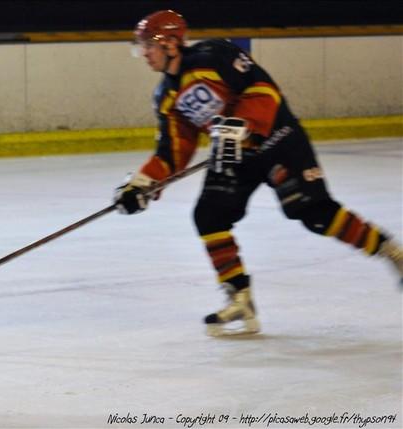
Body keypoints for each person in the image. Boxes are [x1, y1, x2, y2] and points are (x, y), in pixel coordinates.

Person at [113, 10, 403, 336]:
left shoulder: (214, 55)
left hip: (278, 139)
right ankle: (240, 299)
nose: (144, 54)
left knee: (315, 213)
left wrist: (242, 123)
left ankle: (391, 252)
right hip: (234, 156)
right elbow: (173, 152)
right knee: (209, 216)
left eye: (148, 46)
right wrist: (143, 183)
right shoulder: (166, 97)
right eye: (141, 47)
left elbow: (262, 88)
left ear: (169, 43)